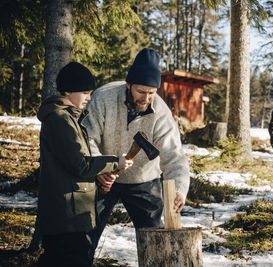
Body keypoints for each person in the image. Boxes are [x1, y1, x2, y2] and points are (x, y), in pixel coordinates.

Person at [82, 48, 190, 260]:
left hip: (144, 180)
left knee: (154, 241)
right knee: (85, 236)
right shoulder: (103, 98)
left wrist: (178, 189)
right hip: (105, 176)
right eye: (141, 91)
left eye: (151, 92)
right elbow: (88, 138)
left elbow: (174, 155)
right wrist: (99, 169)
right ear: (128, 84)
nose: (146, 98)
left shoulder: (160, 110)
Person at [36, 62, 133, 267]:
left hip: (71, 214)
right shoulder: (60, 119)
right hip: (65, 217)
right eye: (85, 92)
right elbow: (80, 164)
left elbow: (72, 165)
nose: (89, 98)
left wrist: (100, 180)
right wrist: (115, 162)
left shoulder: (70, 118)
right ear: (68, 90)